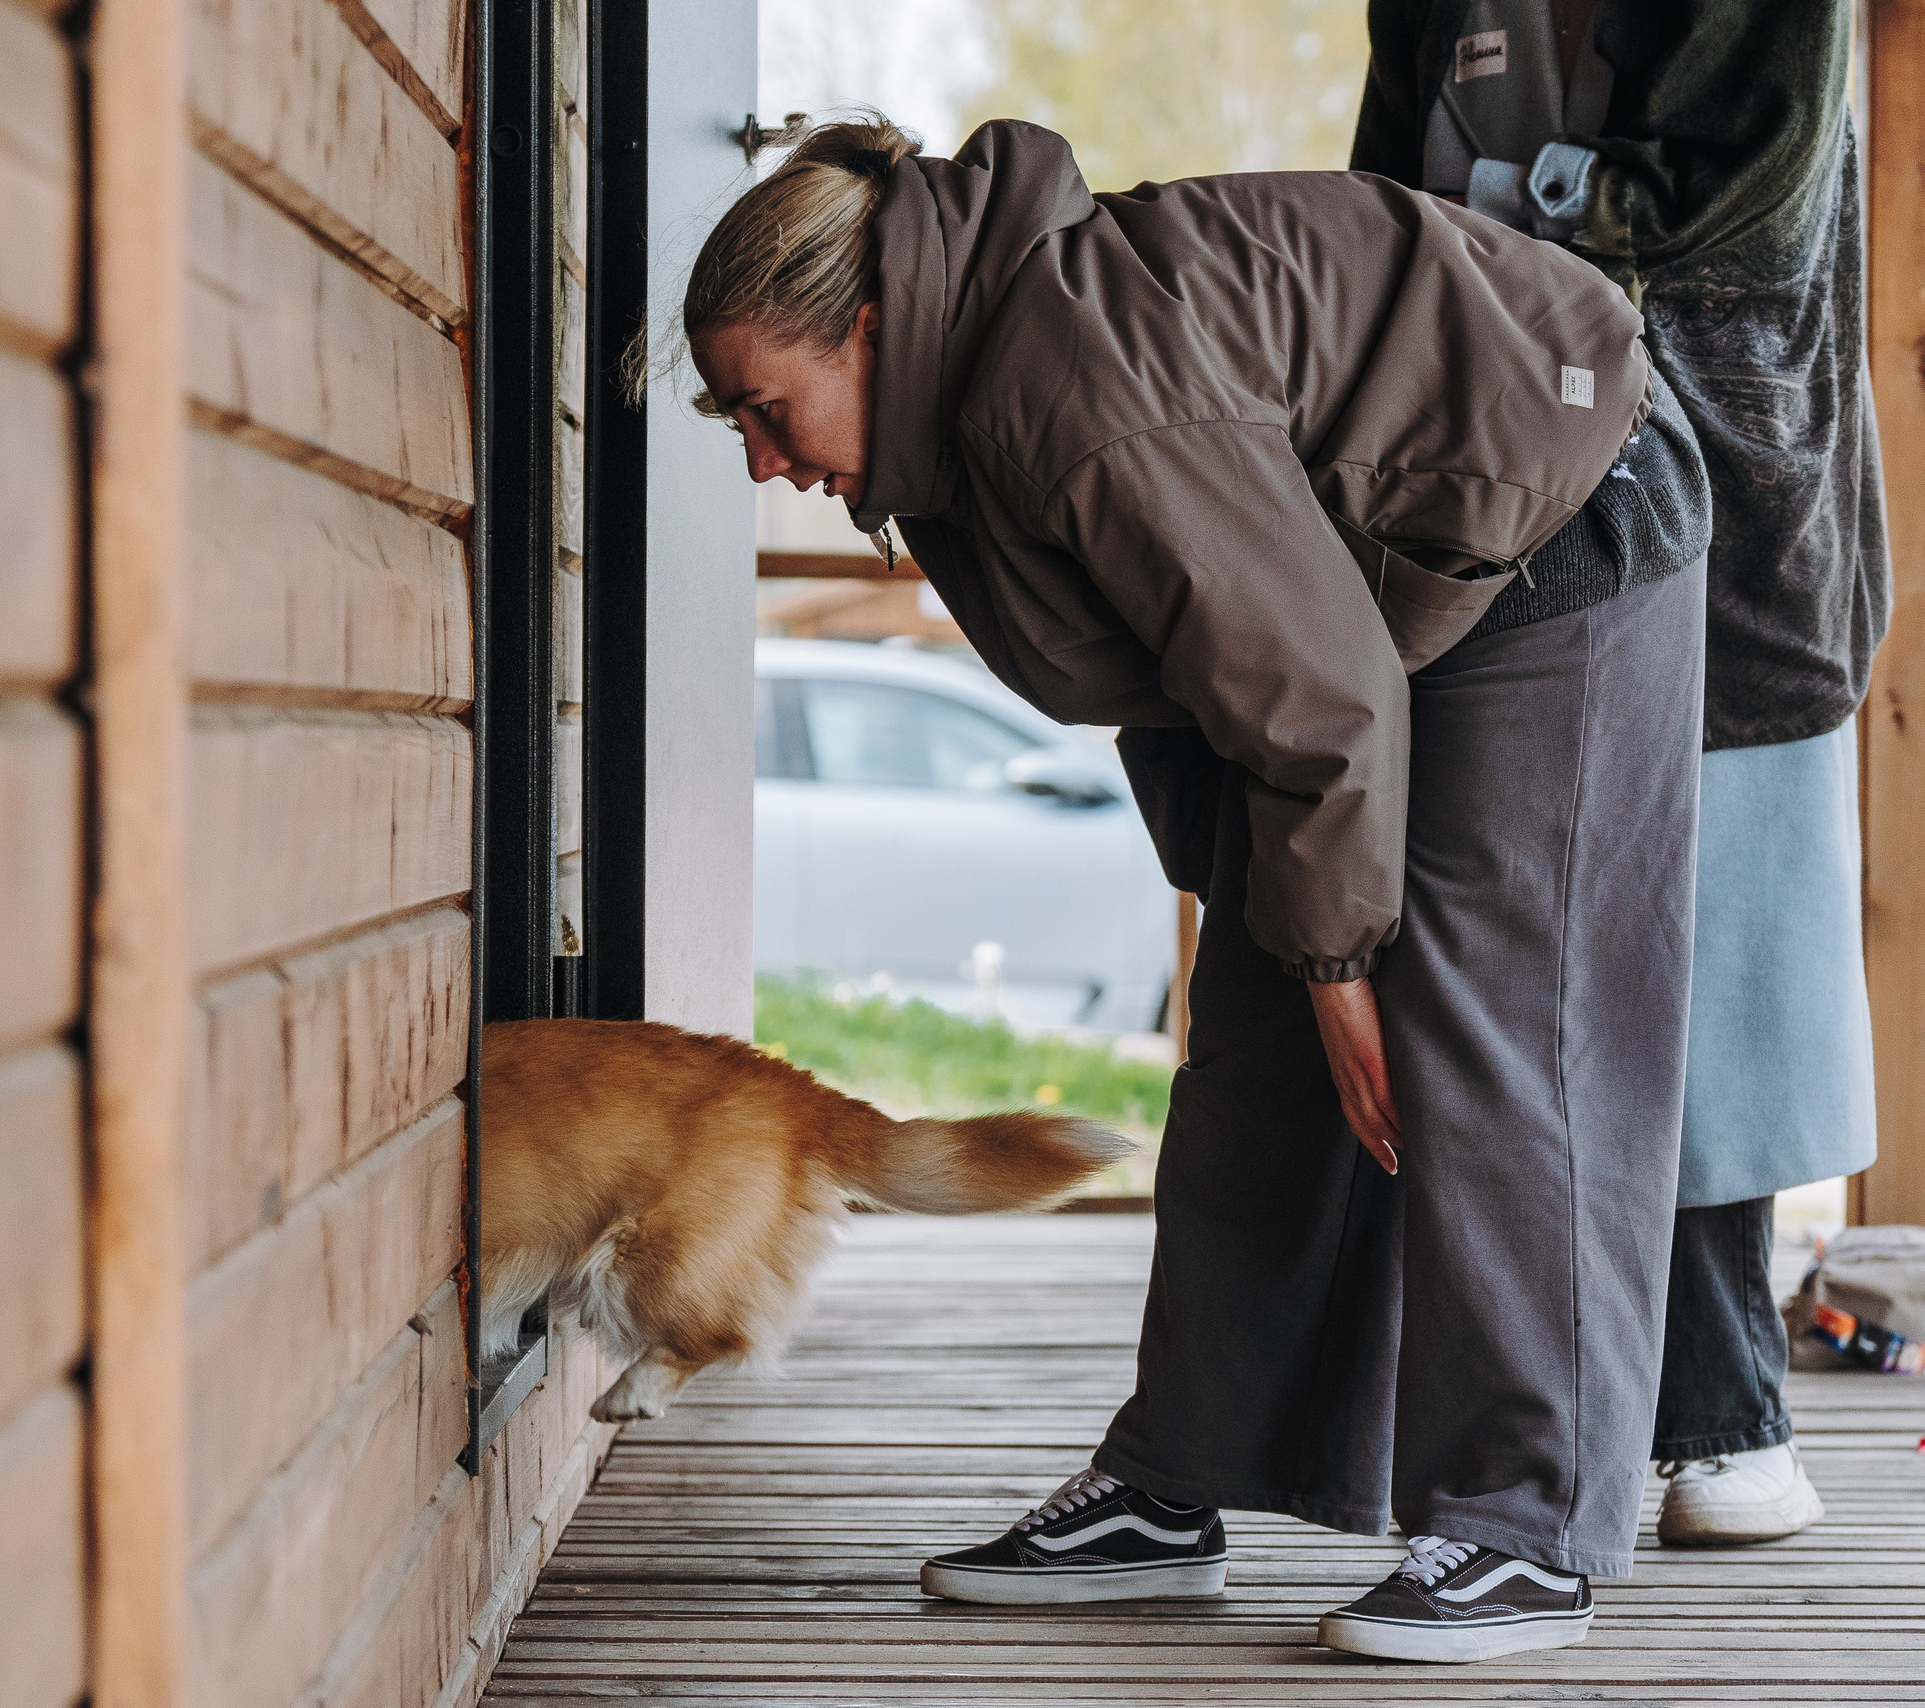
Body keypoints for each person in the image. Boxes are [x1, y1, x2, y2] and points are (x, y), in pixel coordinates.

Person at [679, 114, 1711, 1663]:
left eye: (764, 408)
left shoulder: (1071, 384)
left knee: (1496, 1025)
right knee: (1253, 1044)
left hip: (1559, 499)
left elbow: (1320, 697)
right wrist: (1288, 942)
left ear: (873, 325)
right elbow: (1186, 686)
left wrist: (1345, 964)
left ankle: (1525, 1525)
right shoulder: (957, 423)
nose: (761, 457)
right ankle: (1177, 1487)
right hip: (1379, 601)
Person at [1352, 0, 1887, 1544]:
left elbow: (1742, 215)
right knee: (1499, 971)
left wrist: (1507, 207)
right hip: (1485, 504)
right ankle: (1486, 1418)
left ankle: (1726, 1413)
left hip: (1733, 528)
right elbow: (1383, 214)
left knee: (1703, 977)